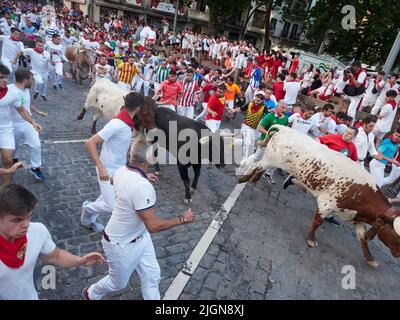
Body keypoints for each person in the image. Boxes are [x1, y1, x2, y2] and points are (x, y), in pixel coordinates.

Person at [82, 139, 196, 300]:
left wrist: (142, 175)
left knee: (152, 274)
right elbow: (153, 225)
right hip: (121, 245)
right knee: (117, 284)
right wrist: (182, 219)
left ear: (130, 154)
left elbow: (114, 180)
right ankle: (91, 293)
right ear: (151, 160)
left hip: (140, 236)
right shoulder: (142, 187)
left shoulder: (122, 170)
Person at [0, 184, 105, 300]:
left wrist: (81, 261)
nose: (26, 225)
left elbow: (56, 256)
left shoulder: (38, 231)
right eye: (17, 220)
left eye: (29, 217)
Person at [81, 93, 144, 232]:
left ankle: (88, 219)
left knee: (108, 197)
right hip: (107, 170)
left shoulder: (127, 122)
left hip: (119, 170)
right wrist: (101, 168)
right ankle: (87, 208)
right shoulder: (118, 124)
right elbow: (90, 143)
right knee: (111, 206)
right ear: (138, 109)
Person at [0, 65, 42, 185]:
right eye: (2, 77)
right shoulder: (12, 89)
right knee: (13, 151)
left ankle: (6, 188)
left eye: (6, 77)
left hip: (7, 128)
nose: (5, 80)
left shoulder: (14, 93)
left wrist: (34, 121)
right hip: (14, 125)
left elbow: (23, 109)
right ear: (25, 80)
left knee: (8, 159)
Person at [11, 69, 47, 180]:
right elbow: (21, 110)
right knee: (14, 147)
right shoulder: (10, 91)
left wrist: (38, 112)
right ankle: (14, 160)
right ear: (25, 80)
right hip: (13, 125)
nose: (33, 82)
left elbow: (26, 104)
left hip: (27, 123)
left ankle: (35, 167)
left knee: (36, 144)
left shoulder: (26, 90)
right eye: (31, 80)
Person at [257, 101, 289, 184]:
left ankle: (268, 174)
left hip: (275, 143)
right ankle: (247, 167)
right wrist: (268, 132)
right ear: (277, 107)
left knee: (277, 160)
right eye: (282, 107)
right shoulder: (269, 116)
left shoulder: (285, 119)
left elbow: (284, 130)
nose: (284, 110)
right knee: (257, 158)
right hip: (265, 141)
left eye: (286, 108)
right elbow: (260, 128)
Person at [232, 93, 267, 160]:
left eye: (258, 100)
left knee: (250, 142)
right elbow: (241, 109)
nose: (256, 101)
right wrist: (233, 110)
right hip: (245, 125)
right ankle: (244, 160)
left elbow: (268, 115)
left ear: (262, 101)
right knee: (248, 143)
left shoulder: (264, 107)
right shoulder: (250, 103)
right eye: (256, 99)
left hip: (254, 128)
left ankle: (236, 141)